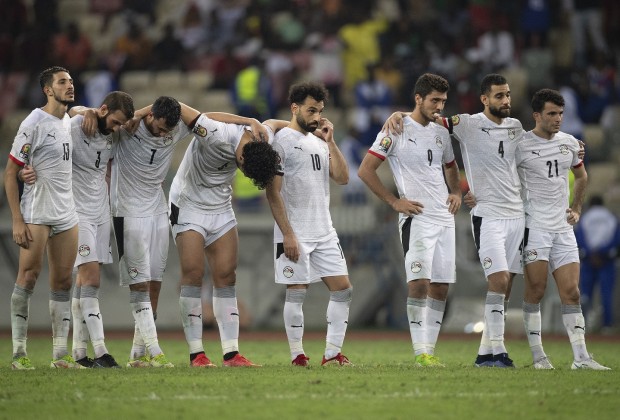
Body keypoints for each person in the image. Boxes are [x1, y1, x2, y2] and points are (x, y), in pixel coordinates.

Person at [384, 74, 525, 368]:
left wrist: (456, 192)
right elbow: (427, 117)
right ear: (485, 99)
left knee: (490, 285)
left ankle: (483, 352)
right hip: (474, 216)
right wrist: (399, 114)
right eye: (499, 95)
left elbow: (451, 164)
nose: (506, 100)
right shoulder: (465, 124)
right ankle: (429, 351)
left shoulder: (515, 127)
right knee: (429, 282)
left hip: (500, 215)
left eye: (508, 95)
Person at [358, 73, 461, 367]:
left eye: (443, 101)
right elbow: (365, 170)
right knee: (419, 283)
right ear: (418, 98)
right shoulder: (396, 129)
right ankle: (420, 352)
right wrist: (394, 202)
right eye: (434, 100)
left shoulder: (441, 131)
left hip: (445, 217)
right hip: (417, 218)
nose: (439, 106)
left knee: (441, 287)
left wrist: (455, 191)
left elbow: (450, 165)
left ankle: (430, 350)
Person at [171, 107, 283, 367]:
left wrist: (312, 131)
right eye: (244, 170)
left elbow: (276, 124)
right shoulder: (216, 134)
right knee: (193, 274)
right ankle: (197, 354)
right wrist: (248, 119)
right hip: (188, 204)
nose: (242, 174)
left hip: (220, 207)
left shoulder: (260, 138)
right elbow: (185, 110)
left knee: (227, 276)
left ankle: (231, 354)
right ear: (241, 158)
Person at [518, 88, 609, 370]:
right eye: (552, 114)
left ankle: (581, 358)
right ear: (537, 115)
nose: (558, 119)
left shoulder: (569, 143)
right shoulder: (520, 144)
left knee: (572, 292)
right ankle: (538, 357)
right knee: (536, 290)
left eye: (560, 113)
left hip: (562, 227)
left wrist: (577, 207)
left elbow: (581, 176)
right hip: (534, 226)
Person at [265, 82, 353, 367]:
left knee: (343, 289)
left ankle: (332, 354)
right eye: (311, 110)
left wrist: (331, 141)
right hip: (296, 231)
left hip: (324, 230)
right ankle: (297, 355)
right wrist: (288, 234)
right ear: (295, 108)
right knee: (297, 292)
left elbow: (343, 178)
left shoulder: (319, 141)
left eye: (320, 111)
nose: (317, 116)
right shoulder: (281, 142)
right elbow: (273, 192)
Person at [5, 66, 81, 369]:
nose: (69, 85)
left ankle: (60, 356)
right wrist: (17, 219)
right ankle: (19, 354)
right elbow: (10, 174)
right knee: (28, 277)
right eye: (62, 82)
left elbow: (84, 113)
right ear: (48, 90)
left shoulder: (68, 119)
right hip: (37, 212)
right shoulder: (33, 123)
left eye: (71, 81)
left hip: (66, 212)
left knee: (63, 281)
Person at [110, 96, 185, 368]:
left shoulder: (174, 127)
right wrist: (137, 115)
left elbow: (205, 117)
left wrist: (250, 121)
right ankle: (155, 351)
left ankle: (137, 354)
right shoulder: (125, 128)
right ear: (151, 115)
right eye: (161, 128)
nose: (164, 135)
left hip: (158, 212)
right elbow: (85, 114)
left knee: (154, 283)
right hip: (128, 212)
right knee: (138, 284)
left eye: (168, 131)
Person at [68, 91, 135, 368]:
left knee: (83, 282)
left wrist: (89, 110)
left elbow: (143, 113)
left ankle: (78, 354)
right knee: (92, 279)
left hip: (101, 212)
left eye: (122, 124)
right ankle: (101, 352)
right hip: (77, 213)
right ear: (104, 109)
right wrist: (82, 110)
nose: (118, 129)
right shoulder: (76, 126)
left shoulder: (110, 132)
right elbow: (61, 120)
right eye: (116, 122)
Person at [575, 195, 620, 333]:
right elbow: (616, 238)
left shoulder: (585, 218)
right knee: (606, 294)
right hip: (606, 260)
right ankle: (607, 326)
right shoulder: (611, 218)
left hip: (588, 260)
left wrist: (590, 253)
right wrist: (604, 253)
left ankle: (583, 325)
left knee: (585, 295)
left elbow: (579, 237)